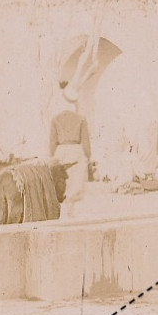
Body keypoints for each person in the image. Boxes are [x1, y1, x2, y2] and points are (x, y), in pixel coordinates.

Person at [48, 83, 93, 220]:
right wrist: (88, 156)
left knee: (63, 181)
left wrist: (52, 157)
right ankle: (71, 210)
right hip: (76, 151)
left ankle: (63, 210)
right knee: (75, 181)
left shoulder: (55, 119)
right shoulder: (81, 118)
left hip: (61, 151)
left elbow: (52, 142)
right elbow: (85, 141)